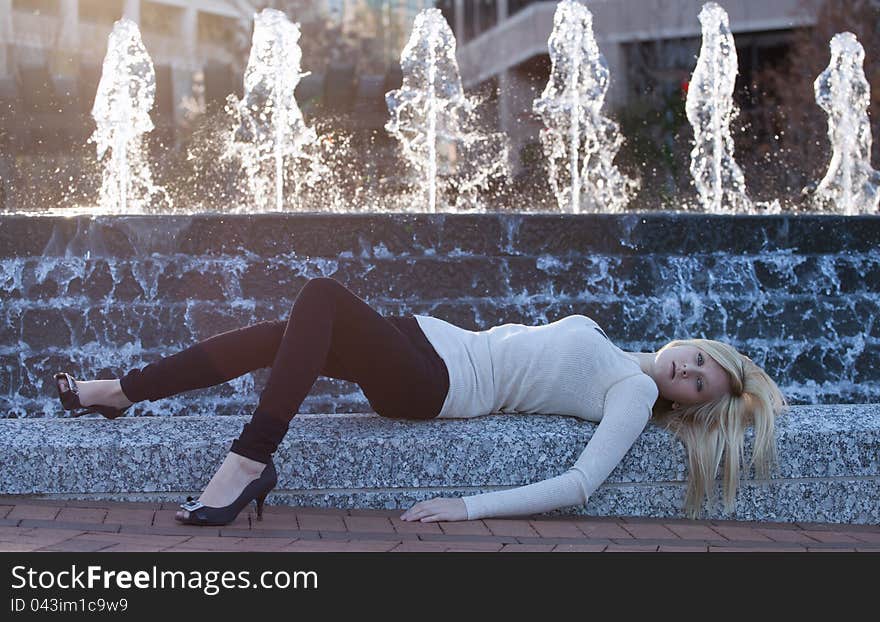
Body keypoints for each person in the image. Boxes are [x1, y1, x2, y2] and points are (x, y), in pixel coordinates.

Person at [53, 276, 788, 526]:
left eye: (698, 383)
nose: (687, 368)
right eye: (700, 357)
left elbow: (579, 486)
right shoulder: (624, 355)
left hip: (435, 383)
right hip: (424, 342)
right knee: (278, 336)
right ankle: (121, 391)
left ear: (691, 407)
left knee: (319, 293)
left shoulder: (630, 393)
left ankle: (249, 461)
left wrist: (463, 507)